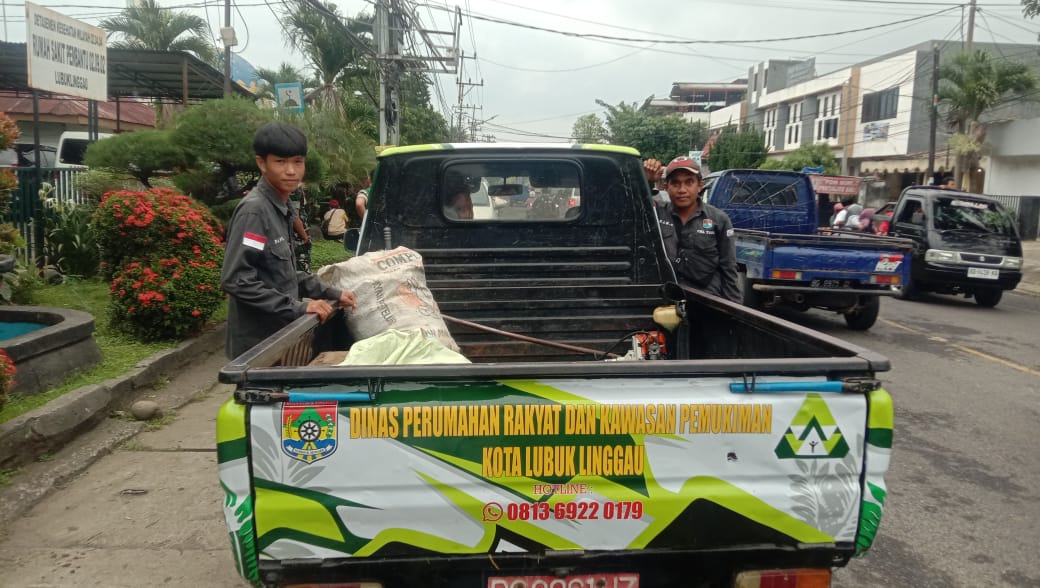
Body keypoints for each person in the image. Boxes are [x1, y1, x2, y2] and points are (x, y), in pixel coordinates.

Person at [221, 122, 357, 359]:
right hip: (259, 348)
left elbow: (283, 273)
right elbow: (237, 280)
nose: (291, 171)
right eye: (280, 162)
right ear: (262, 163)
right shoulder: (255, 212)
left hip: (282, 339)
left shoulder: (279, 207)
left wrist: (332, 293)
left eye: (297, 161)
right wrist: (300, 307)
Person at [653, 156, 740, 302]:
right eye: (675, 183)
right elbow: (631, 207)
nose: (682, 190)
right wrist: (647, 180)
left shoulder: (719, 219)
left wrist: (735, 312)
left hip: (707, 302)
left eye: (689, 182)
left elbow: (729, 267)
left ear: (700, 185)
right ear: (665, 186)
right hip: (665, 302)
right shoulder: (656, 214)